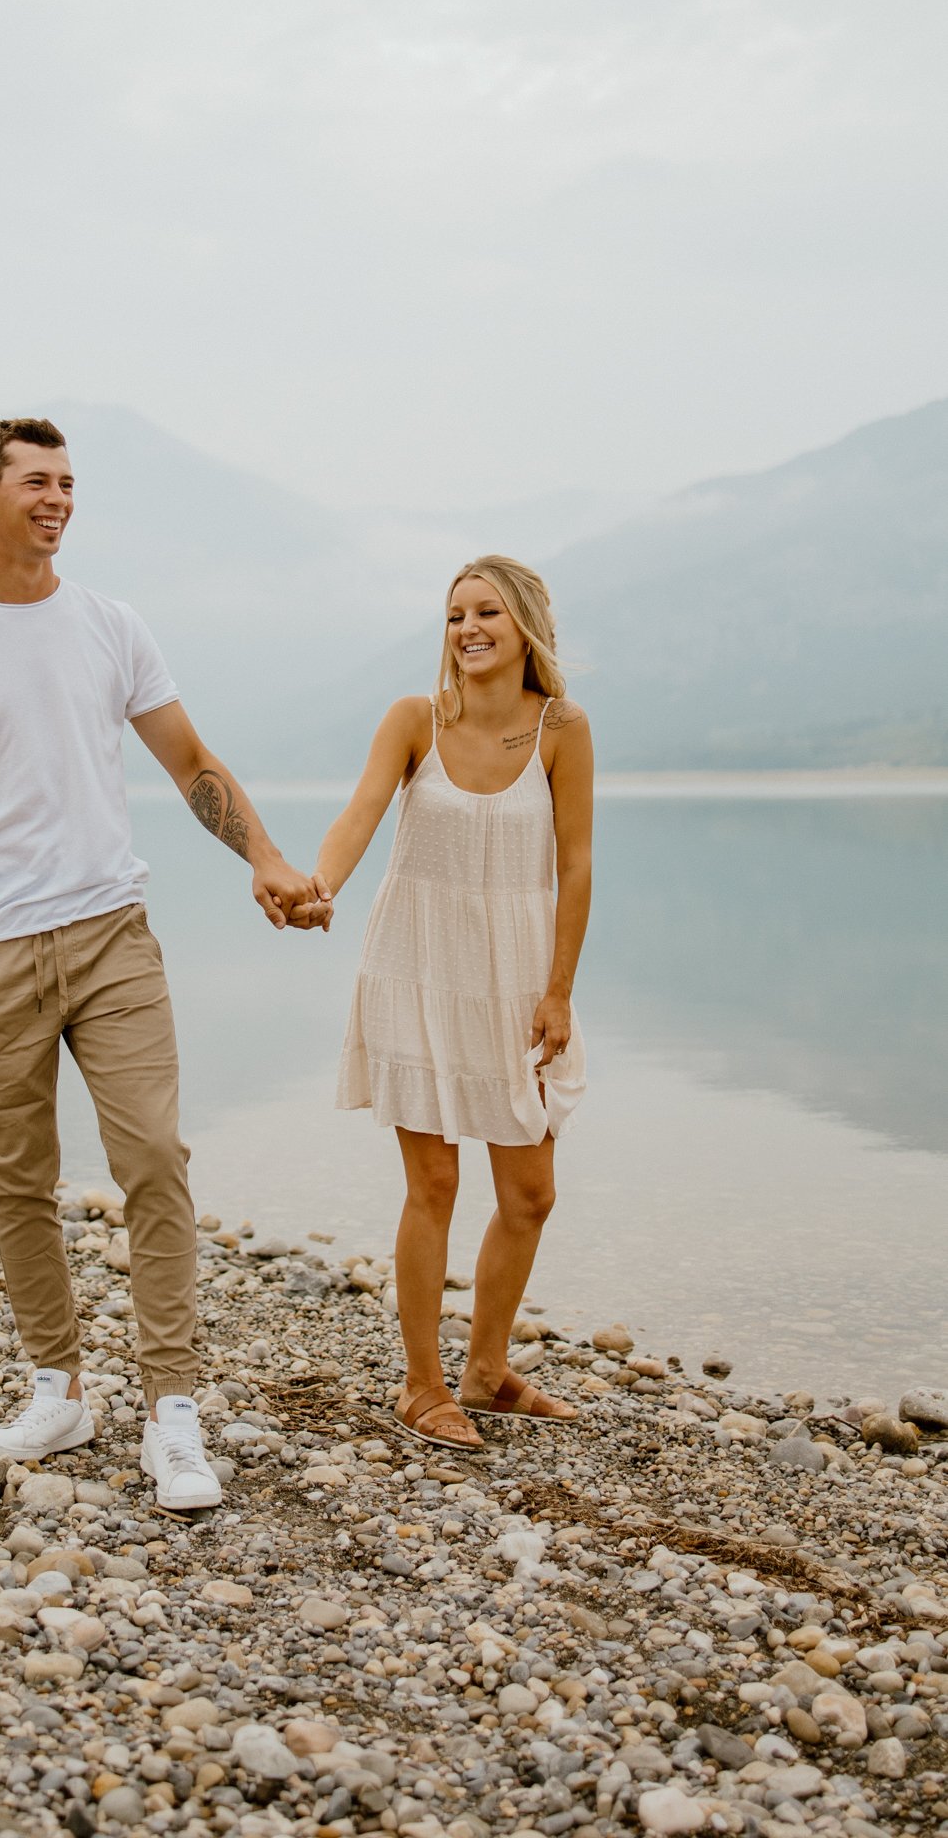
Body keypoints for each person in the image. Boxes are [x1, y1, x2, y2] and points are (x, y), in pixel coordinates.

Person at [0, 416, 330, 1509]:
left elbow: (190, 761)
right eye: (36, 480)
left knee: (155, 1160)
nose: (57, 498)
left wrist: (263, 854)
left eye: (69, 482)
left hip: (114, 933)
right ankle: (58, 1388)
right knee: (19, 1179)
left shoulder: (112, 625)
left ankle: (173, 1414)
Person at [314, 554, 591, 1451]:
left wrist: (558, 990)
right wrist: (317, 884)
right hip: (417, 967)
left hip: (516, 980)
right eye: (453, 615)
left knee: (531, 1193)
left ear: (524, 630)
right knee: (432, 1183)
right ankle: (421, 1386)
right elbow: (360, 812)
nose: (467, 629)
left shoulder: (560, 728)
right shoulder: (413, 721)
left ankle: (485, 1369)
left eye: (487, 614)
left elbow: (576, 866)